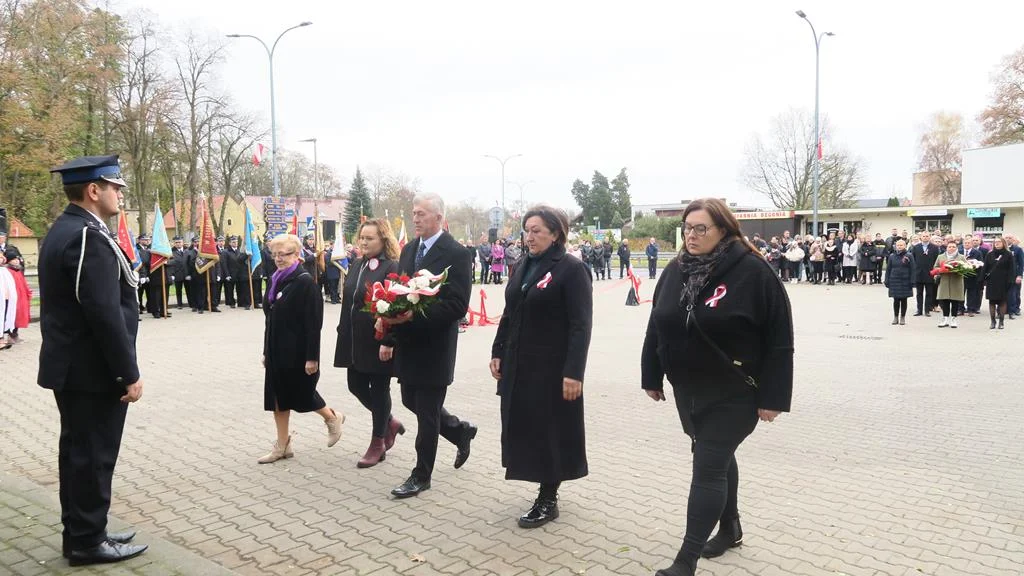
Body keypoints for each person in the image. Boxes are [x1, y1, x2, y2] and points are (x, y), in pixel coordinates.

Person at [641, 198, 793, 576]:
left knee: (707, 467)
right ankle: (730, 528)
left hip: (735, 392)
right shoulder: (675, 270)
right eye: (687, 228)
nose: (691, 236)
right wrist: (651, 373)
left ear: (723, 229)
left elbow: (780, 339)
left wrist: (774, 397)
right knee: (718, 459)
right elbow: (657, 322)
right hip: (689, 390)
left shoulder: (754, 272)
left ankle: (685, 561)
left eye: (701, 228)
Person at [38, 155, 148, 566]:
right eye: (114, 186)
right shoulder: (86, 236)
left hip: (76, 369)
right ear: (93, 190)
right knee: (92, 457)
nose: (120, 192)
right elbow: (103, 313)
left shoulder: (70, 229)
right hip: (92, 372)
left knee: (80, 454)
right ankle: (86, 541)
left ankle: (86, 530)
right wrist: (128, 373)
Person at [490, 206, 593, 528]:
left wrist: (574, 371)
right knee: (525, 426)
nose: (529, 236)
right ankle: (541, 483)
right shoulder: (522, 266)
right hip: (520, 364)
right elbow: (509, 313)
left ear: (556, 233)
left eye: (537, 230)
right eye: (526, 230)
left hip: (552, 369)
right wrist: (498, 351)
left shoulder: (571, 269)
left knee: (549, 430)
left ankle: (548, 496)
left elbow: (581, 325)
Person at [385, 192, 476, 499]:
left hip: (436, 345)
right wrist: (391, 318)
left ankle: (421, 475)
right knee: (411, 400)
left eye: (422, 213)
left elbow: (457, 305)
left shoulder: (457, 253)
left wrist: (417, 315)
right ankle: (458, 430)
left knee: (426, 412)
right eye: (414, 213)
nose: (416, 218)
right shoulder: (410, 249)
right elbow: (402, 290)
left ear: (439, 217)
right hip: (409, 343)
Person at [259, 233, 344, 463]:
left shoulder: (305, 282)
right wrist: (266, 351)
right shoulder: (276, 278)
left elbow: (313, 324)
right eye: (274, 254)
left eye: (283, 254)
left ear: (297, 255)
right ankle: (282, 445)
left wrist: (312, 358)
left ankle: (332, 417)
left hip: (297, 351)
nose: (278, 259)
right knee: (277, 398)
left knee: (301, 394)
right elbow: (270, 318)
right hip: (276, 348)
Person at [334, 219, 405, 468]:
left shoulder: (391, 267)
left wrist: (388, 341)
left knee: (379, 389)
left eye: (370, 238)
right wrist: (342, 330)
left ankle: (378, 442)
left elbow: (396, 308)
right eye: (362, 237)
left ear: (383, 240)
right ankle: (390, 422)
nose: (364, 242)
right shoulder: (357, 264)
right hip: (354, 339)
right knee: (355, 385)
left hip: (378, 341)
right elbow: (349, 301)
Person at [983, 237, 1014, 329]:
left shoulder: (1008, 254)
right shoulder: (990, 254)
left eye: (999, 242)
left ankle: (1001, 321)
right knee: (992, 301)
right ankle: (993, 321)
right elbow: (985, 267)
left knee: (1002, 301)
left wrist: (1010, 280)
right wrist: (982, 279)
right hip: (992, 281)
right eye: (995, 242)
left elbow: (1012, 269)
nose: (996, 243)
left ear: (1003, 243)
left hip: (1003, 281)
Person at [934, 240, 967, 328]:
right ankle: (945, 318)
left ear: (956, 248)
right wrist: (941, 269)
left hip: (956, 281)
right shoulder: (940, 256)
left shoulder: (961, 257)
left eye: (953, 247)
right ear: (946, 248)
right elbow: (935, 267)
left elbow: (966, 268)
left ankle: (953, 319)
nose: (951, 248)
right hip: (944, 281)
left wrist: (959, 270)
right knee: (945, 301)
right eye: (949, 247)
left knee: (955, 301)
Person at [885, 239, 914, 325]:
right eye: (898, 245)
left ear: (905, 246)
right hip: (894, 280)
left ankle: (902, 317)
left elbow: (913, 269)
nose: (900, 247)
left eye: (901, 245)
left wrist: (912, 281)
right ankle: (895, 317)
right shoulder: (892, 256)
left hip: (905, 280)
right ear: (895, 246)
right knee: (896, 300)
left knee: (904, 300)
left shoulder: (909, 255)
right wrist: (887, 280)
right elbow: (888, 269)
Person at [912, 232, 940, 316]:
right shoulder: (916, 247)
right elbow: (913, 260)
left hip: (930, 273)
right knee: (919, 293)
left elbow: (937, 261)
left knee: (929, 293)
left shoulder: (934, 248)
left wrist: (935, 272)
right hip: (919, 273)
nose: (925, 237)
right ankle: (919, 310)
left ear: (930, 237)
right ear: (921, 237)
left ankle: (927, 310)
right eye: (923, 236)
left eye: (927, 236)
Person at [964, 237, 985, 316]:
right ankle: (960, 309)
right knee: (960, 293)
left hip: (973, 276)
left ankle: (970, 309)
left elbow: (981, 264)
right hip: (961, 276)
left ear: (972, 244)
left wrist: (974, 264)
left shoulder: (977, 252)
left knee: (971, 294)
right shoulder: (959, 251)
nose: (967, 244)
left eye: (968, 243)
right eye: (965, 243)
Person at [1005, 233, 1024, 319]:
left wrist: (1019, 275)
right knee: (1003, 293)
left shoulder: (1018, 249)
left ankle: (1014, 309)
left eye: (1010, 238)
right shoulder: (1002, 249)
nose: (1008, 239)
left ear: (1013, 240)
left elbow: (1021, 264)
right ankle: (1004, 309)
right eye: (1006, 238)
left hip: (1015, 275)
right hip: (1004, 275)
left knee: (1015, 293)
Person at [169, 236, 188, 308]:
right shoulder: (171, 251)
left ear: (182, 242)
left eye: (179, 242)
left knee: (188, 289)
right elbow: (170, 264)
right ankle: (179, 304)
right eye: (176, 242)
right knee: (178, 290)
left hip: (186, 274)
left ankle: (191, 303)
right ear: (174, 243)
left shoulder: (187, 250)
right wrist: (172, 274)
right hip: (177, 274)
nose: (178, 244)